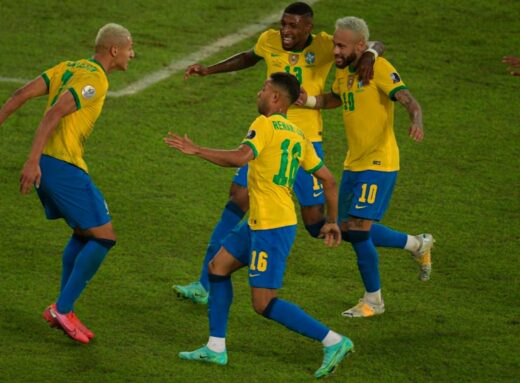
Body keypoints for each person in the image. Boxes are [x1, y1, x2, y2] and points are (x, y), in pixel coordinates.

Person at [174, 1, 384, 304]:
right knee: (238, 196)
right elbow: (249, 57)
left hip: (305, 144)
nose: (285, 31)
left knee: (316, 224)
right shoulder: (269, 40)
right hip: (267, 139)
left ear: (308, 27)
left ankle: (408, 242)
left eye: (293, 26)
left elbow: (375, 43)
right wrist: (210, 70)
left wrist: (369, 55)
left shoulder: (326, 46)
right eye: (284, 24)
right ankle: (205, 282)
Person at [165, 72, 353, 379]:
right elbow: (329, 181)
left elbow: (241, 157)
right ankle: (215, 347)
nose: (258, 93)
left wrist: (197, 149)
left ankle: (334, 340)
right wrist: (331, 221)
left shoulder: (265, 124)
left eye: (263, 89)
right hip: (261, 221)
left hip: (272, 228)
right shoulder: (297, 134)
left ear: (276, 98)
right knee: (217, 268)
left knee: (263, 303)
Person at [0, 23, 135, 343]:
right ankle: (62, 308)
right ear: (114, 50)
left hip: (56, 167)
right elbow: (53, 114)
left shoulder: (67, 67)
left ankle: (62, 309)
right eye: (129, 48)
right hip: (60, 167)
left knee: (84, 233)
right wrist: (32, 160)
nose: (132, 54)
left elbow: (20, 94)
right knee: (104, 237)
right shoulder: (95, 80)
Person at [315, 17, 433, 318]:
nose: (336, 51)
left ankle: (374, 300)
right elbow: (337, 98)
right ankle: (417, 244)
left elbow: (409, 101)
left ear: (359, 46)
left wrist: (416, 120)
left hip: (379, 162)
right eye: (334, 45)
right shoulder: (344, 71)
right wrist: (309, 100)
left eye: (341, 46)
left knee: (357, 228)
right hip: (354, 162)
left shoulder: (378, 67)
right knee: (347, 227)